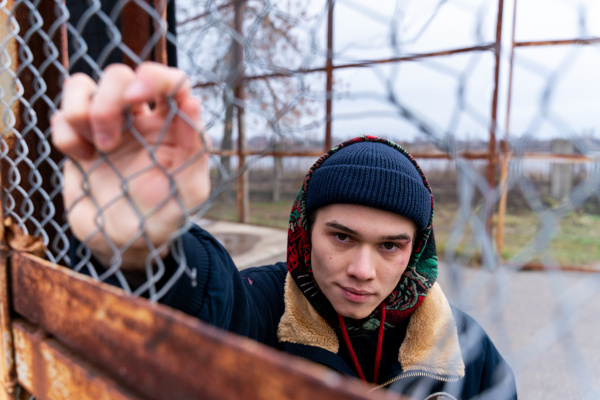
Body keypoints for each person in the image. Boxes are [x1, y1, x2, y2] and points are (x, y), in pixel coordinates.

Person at [51, 62, 517, 399]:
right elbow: (209, 302)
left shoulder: (466, 351)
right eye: (342, 237)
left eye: (390, 246)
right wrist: (146, 250)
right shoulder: (261, 308)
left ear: (416, 251)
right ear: (304, 232)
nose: (362, 270)